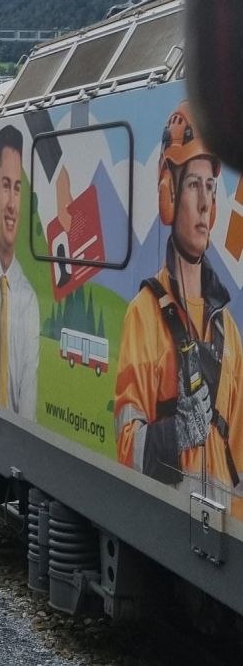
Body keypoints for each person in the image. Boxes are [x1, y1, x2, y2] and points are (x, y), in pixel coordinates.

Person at [115, 104, 243, 499]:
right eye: (193, 185)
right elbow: (125, 444)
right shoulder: (144, 315)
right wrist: (175, 434)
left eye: (210, 187)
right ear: (169, 193)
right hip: (166, 512)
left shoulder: (229, 332)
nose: (205, 203)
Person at [0, 125, 40, 417]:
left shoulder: (30, 301)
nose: (12, 205)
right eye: (6, 185)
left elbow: (29, 398)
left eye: (18, 188)